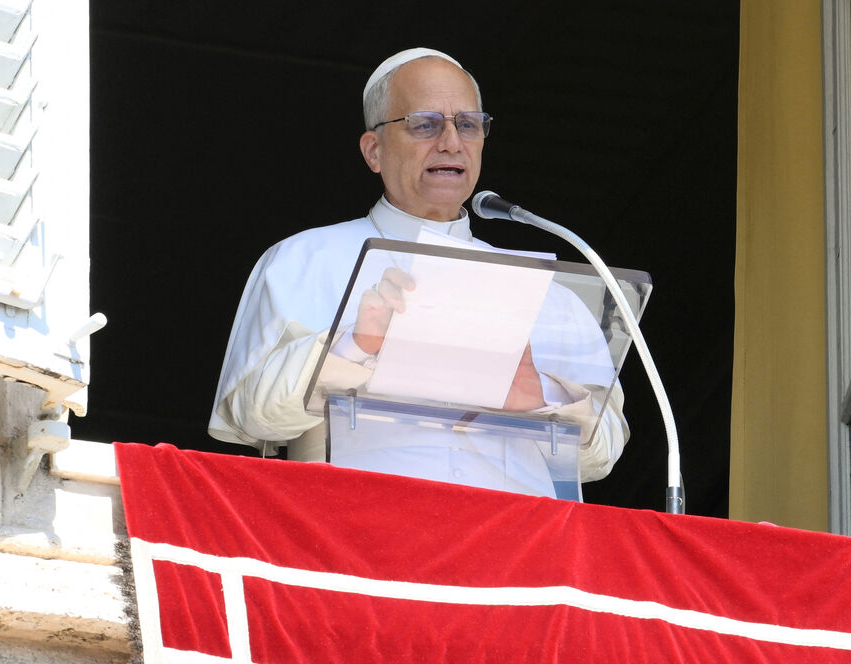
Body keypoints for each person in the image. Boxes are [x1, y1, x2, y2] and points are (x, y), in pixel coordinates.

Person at [209, 48, 628, 497]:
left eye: (467, 124)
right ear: (374, 150)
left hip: (518, 550)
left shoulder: (551, 294)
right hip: (358, 537)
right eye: (424, 124)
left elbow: (601, 457)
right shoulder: (303, 259)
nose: (451, 142)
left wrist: (540, 397)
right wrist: (355, 346)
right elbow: (248, 418)